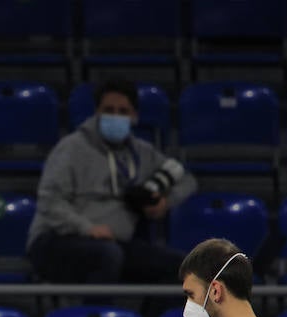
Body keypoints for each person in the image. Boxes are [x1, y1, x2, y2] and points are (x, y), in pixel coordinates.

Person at [26, 78, 196, 291]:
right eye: (109, 110)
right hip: (56, 241)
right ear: (97, 112)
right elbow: (49, 201)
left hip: (115, 244)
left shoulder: (142, 152)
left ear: (134, 116)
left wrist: (165, 202)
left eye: (123, 111)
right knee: (107, 255)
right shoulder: (71, 148)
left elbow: (187, 180)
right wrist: (87, 228)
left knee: (182, 268)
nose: (115, 116)